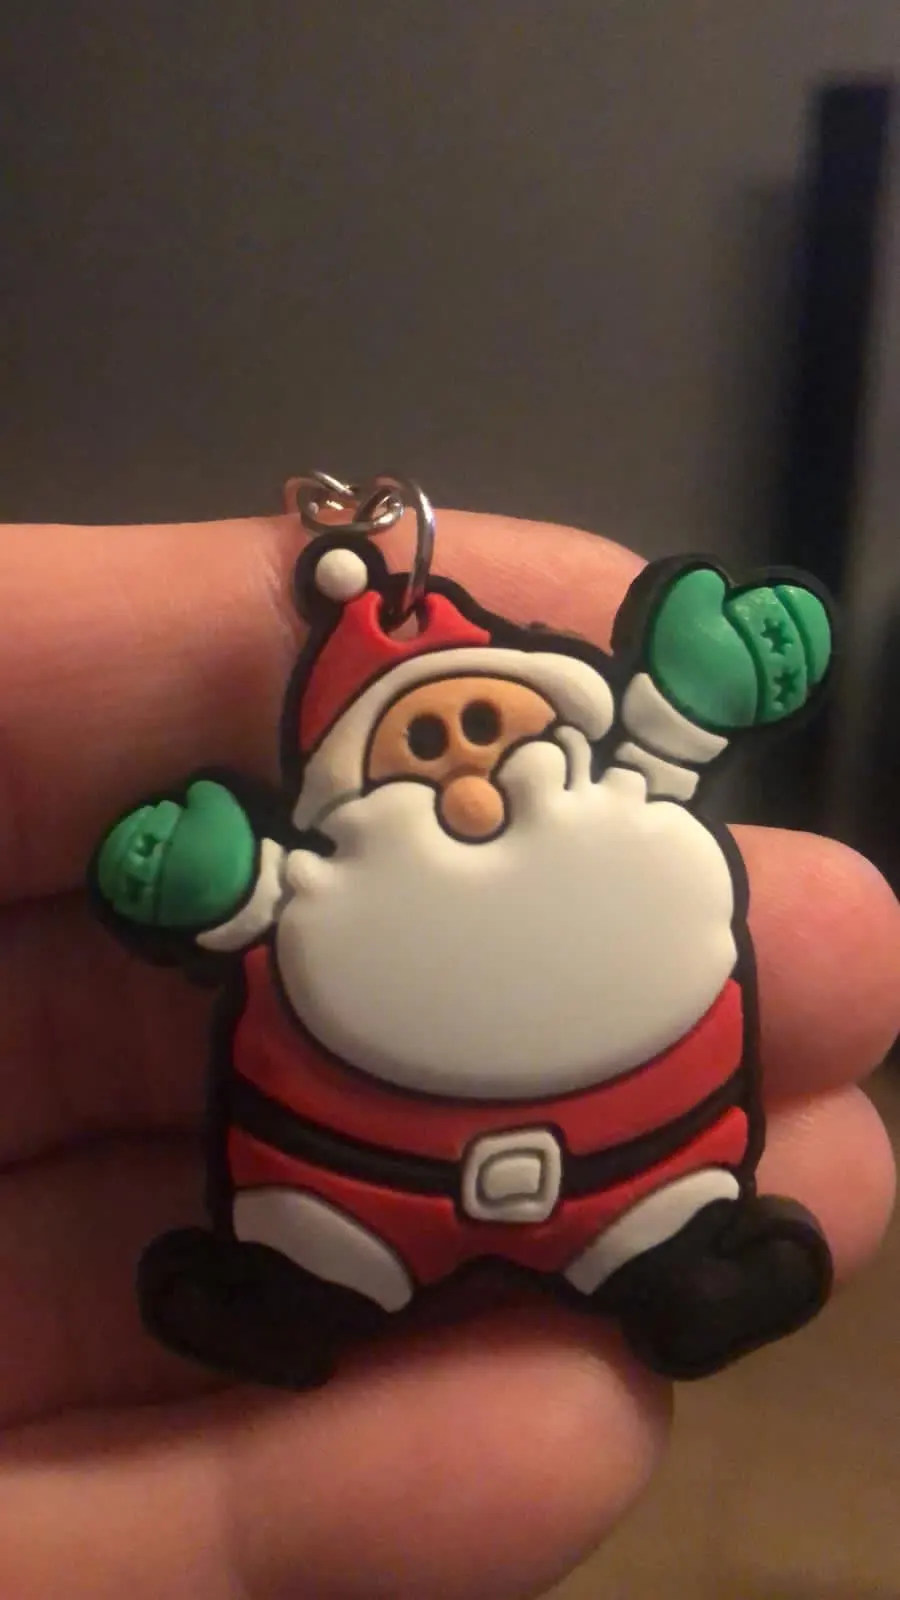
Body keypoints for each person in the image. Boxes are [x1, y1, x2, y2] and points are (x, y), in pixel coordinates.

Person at [0, 507, 897, 1600]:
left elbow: (684, 719)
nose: (469, 763)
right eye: (423, 741)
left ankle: (682, 1263)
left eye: (486, 721)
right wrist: (192, 872)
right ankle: (292, 1295)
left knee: (673, 1225)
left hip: (636, 1155)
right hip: (362, 1182)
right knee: (313, 1247)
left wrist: (720, 675)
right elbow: (223, 897)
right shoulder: (320, 895)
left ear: (560, 719)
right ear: (351, 781)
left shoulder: (626, 815)